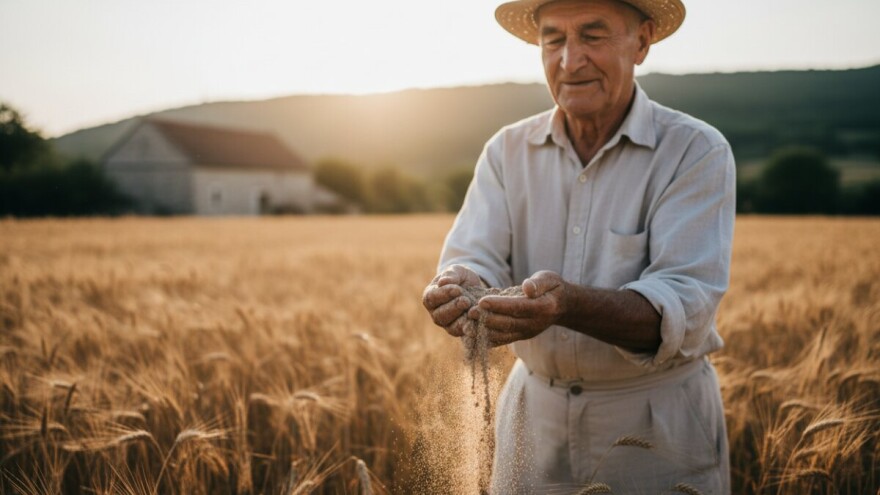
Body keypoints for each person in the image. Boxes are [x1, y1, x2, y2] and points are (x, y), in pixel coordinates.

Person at [421, 0, 735, 493]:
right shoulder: (506, 151)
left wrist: (566, 304)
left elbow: (683, 308)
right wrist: (463, 284)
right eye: (553, 39)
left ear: (643, 41)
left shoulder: (695, 151)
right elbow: (473, 255)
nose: (569, 61)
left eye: (593, 35)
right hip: (531, 422)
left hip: (656, 430)